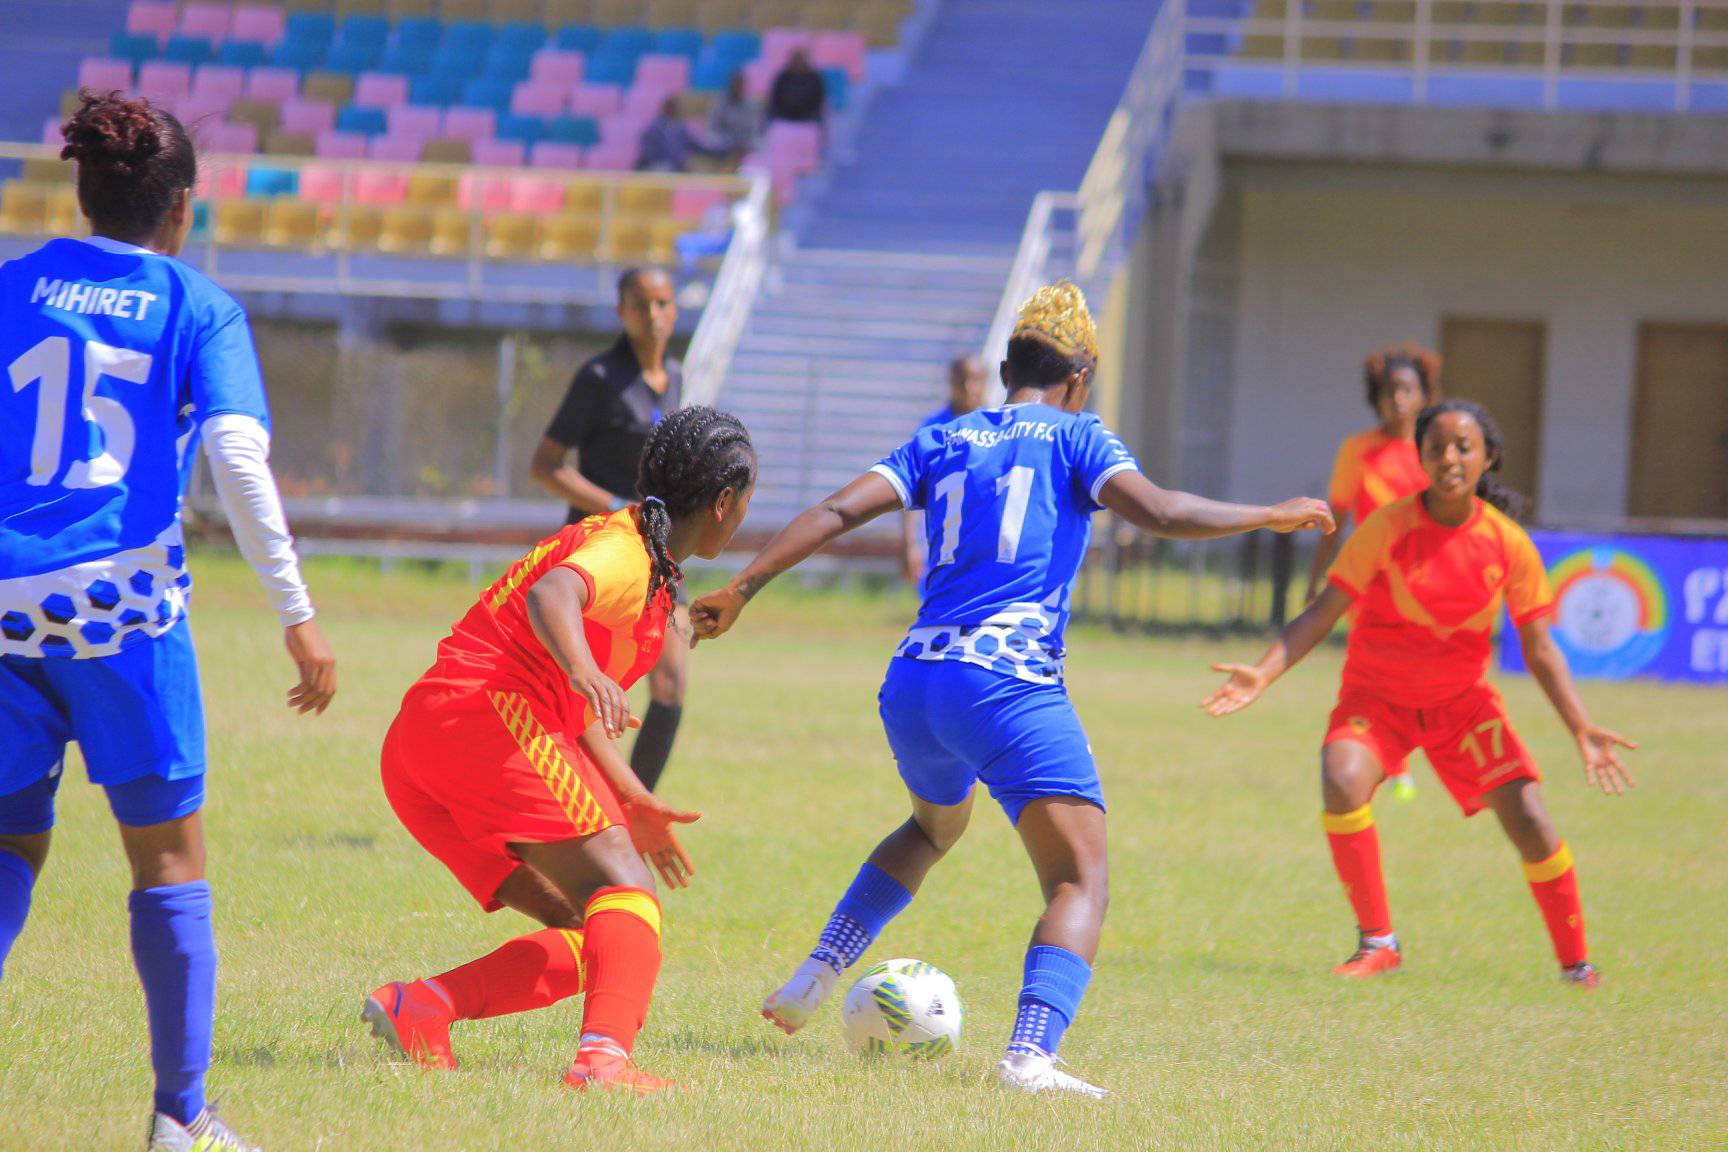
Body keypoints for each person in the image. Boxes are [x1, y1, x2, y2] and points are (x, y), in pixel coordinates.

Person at [691, 284, 1332, 1098]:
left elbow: (834, 510)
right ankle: (1029, 1056)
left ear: (1003, 370)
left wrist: (743, 587)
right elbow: (1162, 513)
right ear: (1082, 375)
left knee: (931, 829)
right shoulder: (1078, 435)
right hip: (1005, 682)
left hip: (915, 678)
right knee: (1079, 878)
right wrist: (1267, 515)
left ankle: (815, 977)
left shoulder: (944, 436)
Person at [0, 90, 337, 1152]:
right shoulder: (198, 305)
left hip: (1, 610)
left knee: (10, 838)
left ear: (85, 190)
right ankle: (182, 1115)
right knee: (168, 863)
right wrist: (298, 614)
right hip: (119, 611)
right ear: (181, 207)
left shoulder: (10, 287)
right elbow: (237, 458)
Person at [363, 406, 755, 1094]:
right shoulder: (626, 551)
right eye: (749, 499)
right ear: (724, 502)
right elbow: (556, 593)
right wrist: (583, 668)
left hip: (429, 741)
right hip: (487, 721)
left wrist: (631, 798)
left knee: (594, 927)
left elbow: (574, 713)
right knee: (626, 890)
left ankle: (423, 1007)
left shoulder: (647, 563)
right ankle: (604, 1062)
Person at [1203, 399, 1635, 987]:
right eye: (1437, 447)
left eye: (1463, 447)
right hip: (1376, 698)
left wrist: (1580, 727)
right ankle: (1378, 942)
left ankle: (1576, 965)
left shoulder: (1508, 543)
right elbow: (1325, 610)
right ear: (1421, 457)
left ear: (1488, 459)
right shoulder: (1386, 527)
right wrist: (1265, 670)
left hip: (1462, 707)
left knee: (1531, 821)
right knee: (1340, 776)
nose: (1450, 458)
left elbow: (1539, 648)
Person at [530, 268, 687, 793]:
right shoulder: (598, 378)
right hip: (602, 552)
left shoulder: (678, 376)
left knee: (671, 680)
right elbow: (546, 464)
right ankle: (569, 803)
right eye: (641, 303)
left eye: (663, 302)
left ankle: (635, 806)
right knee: (581, 693)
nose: (654, 314)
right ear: (621, 310)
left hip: (656, 552)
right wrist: (618, 505)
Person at [1304, 343, 1439, 800]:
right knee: (1377, 669)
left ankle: (1395, 753)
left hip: (1425, 585)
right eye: (1388, 391)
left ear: (1424, 396)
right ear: (1376, 398)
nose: (1397, 400)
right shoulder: (1358, 450)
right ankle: (1391, 763)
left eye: (1407, 390)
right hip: (1369, 584)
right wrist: (1316, 578)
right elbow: (1335, 519)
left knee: (1417, 673)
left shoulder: (1436, 451)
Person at [901, 355, 989, 584]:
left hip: (981, 547)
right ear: (951, 382)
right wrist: (910, 544)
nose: (970, 389)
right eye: (963, 381)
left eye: (977, 380)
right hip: (941, 546)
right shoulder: (933, 429)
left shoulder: (996, 427)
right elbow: (912, 488)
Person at [636, 95, 723, 174]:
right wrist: (673, 160)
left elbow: (696, 145)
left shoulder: (681, 128)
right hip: (657, 167)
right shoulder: (653, 128)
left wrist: (719, 151)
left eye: (675, 107)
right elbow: (648, 151)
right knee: (664, 170)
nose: (675, 110)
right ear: (665, 108)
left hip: (677, 168)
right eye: (671, 107)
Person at [706, 70, 760, 163]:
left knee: (760, 144)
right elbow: (713, 127)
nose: (738, 87)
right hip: (724, 141)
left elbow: (753, 129)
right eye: (735, 84)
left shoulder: (750, 105)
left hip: (743, 141)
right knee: (712, 140)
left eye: (740, 84)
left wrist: (743, 141)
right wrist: (727, 140)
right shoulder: (720, 103)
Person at [767, 49, 826, 125]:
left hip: (808, 116)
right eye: (796, 60)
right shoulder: (783, 77)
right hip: (784, 114)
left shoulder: (814, 78)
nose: (798, 63)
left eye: (801, 60)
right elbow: (775, 97)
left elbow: (818, 99)